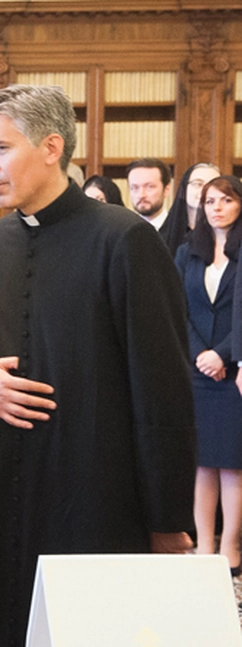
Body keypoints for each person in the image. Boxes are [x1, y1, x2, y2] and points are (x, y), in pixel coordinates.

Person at [0, 84, 196, 647]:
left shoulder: (126, 239)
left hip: (96, 496)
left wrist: (167, 519)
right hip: (0, 494)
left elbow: (162, 389)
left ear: (50, 146)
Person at [178, 175, 242, 575]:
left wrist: (222, 354)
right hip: (196, 369)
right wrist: (200, 353)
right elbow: (175, 308)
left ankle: (231, 546)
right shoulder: (188, 252)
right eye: (210, 201)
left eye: (226, 200)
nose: (217, 207)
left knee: (233, 464)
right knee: (202, 463)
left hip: (234, 370)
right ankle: (205, 544)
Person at [162, 162, 220, 257]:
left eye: (213, 184)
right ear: (184, 189)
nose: (204, 190)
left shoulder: (228, 238)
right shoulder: (164, 237)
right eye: (197, 184)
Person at [126, 157, 173, 232]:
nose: (141, 195)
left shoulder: (177, 231)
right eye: (135, 188)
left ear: (166, 190)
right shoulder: (123, 230)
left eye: (150, 187)